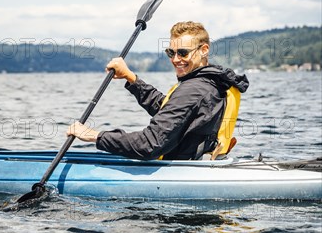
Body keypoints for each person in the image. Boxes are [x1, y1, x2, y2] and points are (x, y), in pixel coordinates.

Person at [67, 21, 249, 160]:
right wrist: (131, 78)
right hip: (209, 163)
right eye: (171, 53)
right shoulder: (214, 81)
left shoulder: (193, 90)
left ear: (204, 50)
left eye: (183, 53)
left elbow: (149, 144)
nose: (176, 59)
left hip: (183, 173)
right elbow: (170, 110)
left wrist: (95, 136)